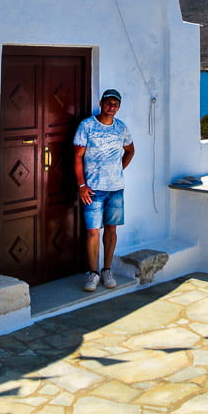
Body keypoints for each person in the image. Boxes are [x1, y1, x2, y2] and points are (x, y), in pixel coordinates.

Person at [73, 89, 135, 292]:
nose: (112, 107)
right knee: (92, 231)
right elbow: (77, 156)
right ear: (101, 103)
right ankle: (93, 273)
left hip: (116, 188)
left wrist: (118, 169)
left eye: (115, 104)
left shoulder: (121, 128)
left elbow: (130, 150)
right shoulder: (87, 126)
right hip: (93, 189)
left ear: (119, 107)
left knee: (111, 229)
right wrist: (82, 185)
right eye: (108, 103)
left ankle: (107, 269)